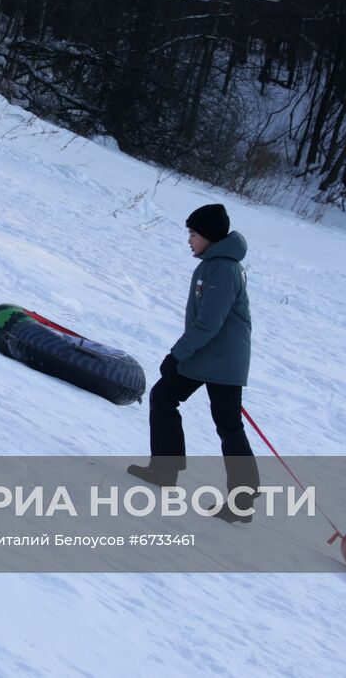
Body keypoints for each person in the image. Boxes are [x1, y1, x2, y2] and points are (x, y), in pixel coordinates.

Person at [128, 204, 260, 523]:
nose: (189, 240)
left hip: (223, 361)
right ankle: (164, 469)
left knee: (228, 424)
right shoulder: (212, 264)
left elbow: (209, 324)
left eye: (193, 234)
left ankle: (243, 499)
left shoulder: (224, 270)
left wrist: (176, 354)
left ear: (210, 236)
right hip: (207, 356)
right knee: (163, 397)